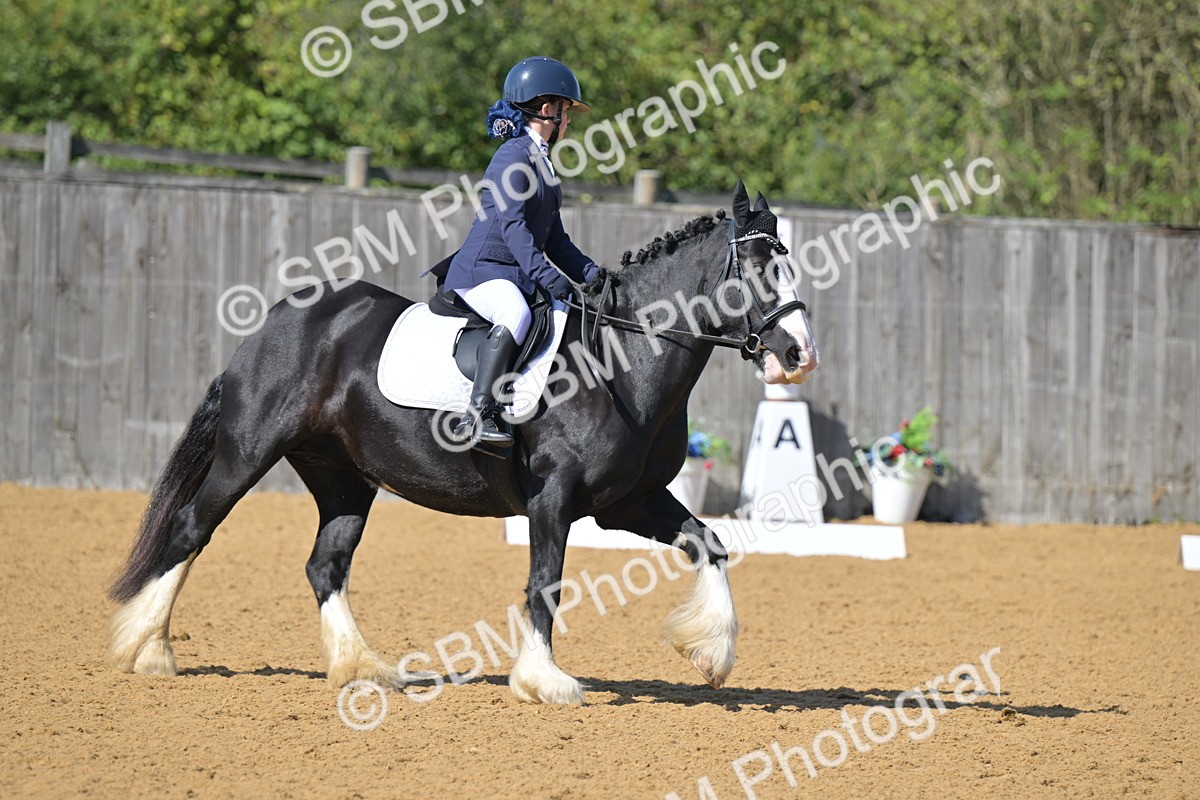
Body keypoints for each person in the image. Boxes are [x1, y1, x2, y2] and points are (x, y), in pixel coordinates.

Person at [440, 56, 602, 448]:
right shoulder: (513, 155)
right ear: (549, 110)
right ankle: (477, 416)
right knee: (515, 312)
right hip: (483, 270)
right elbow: (512, 227)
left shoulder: (541, 162)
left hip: (513, 272)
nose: (569, 122)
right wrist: (550, 279)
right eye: (567, 113)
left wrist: (593, 275)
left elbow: (556, 240)